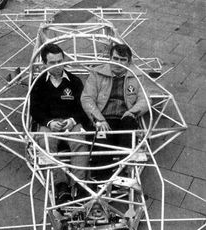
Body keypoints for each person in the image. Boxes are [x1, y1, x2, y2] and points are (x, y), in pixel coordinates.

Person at [30, 43, 89, 202]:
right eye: (53, 63)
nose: (58, 66)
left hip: (71, 123)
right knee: (46, 143)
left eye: (60, 61)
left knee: (80, 141)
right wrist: (49, 123)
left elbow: (83, 107)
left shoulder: (75, 81)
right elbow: (34, 110)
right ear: (44, 64)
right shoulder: (38, 83)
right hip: (49, 124)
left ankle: (79, 183)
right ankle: (61, 185)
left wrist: (72, 120)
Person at [81, 43, 149, 177]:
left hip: (125, 119)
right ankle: (103, 181)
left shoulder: (137, 76)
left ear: (129, 61)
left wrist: (132, 112)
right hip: (104, 119)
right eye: (115, 58)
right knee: (102, 146)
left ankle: (123, 173)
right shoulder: (97, 73)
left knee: (128, 137)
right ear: (110, 58)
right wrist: (99, 119)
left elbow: (145, 99)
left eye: (123, 60)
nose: (118, 63)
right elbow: (87, 98)